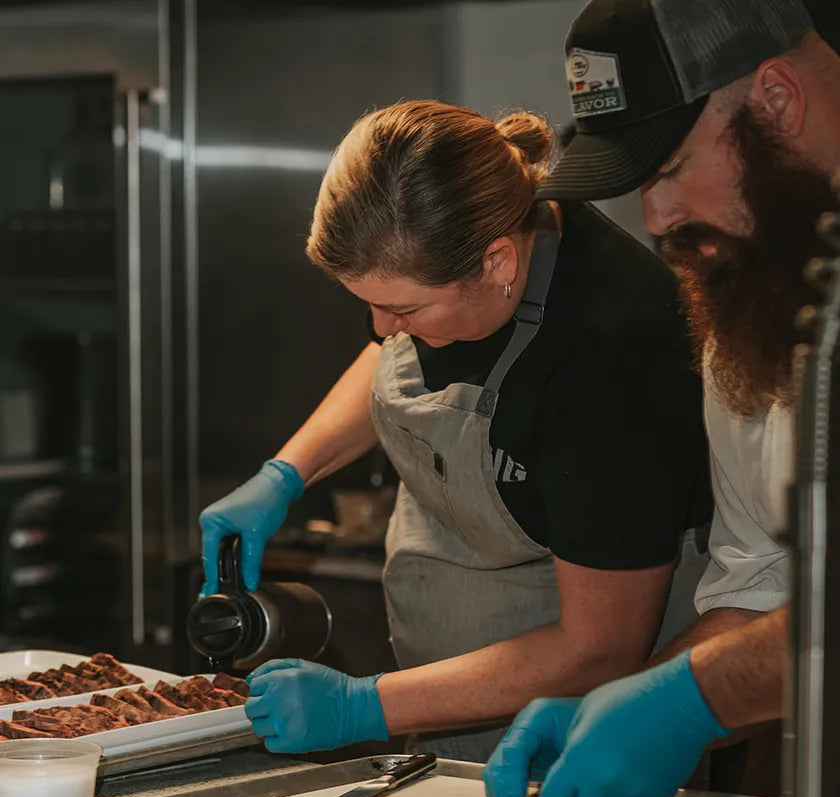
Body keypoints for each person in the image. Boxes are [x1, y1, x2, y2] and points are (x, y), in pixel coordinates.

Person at [200, 100, 713, 762]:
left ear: (498, 263)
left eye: (403, 308)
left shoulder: (611, 353)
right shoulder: (448, 261)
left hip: (587, 734)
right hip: (445, 698)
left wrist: (367, 706)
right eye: (372, 306)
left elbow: (600, 647)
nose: (383, 330)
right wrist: (288, 472)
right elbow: (396, 357)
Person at [484, 0, 840, 797]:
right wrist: (632, 699)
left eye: (668, 167)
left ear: (778, 102)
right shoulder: (751, 304)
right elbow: (763, 585)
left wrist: (691, 699)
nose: (654, 219)